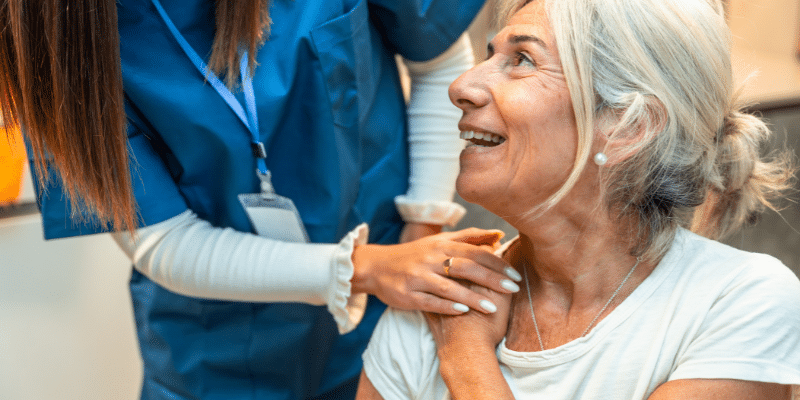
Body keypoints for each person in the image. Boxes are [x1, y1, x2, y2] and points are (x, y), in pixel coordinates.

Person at [0, 0, 528, 399]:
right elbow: (162, 240)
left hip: (390, 303)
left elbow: (437, 60)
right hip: (215, 350)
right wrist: (365, 268)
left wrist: (424, 222)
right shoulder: (53, 36)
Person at [357, 0, 800, 398]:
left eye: (523, 60)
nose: (462, 85)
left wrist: (466, 358)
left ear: (630, 127)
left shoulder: (741, 303)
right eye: (492, 54)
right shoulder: (437, 301)